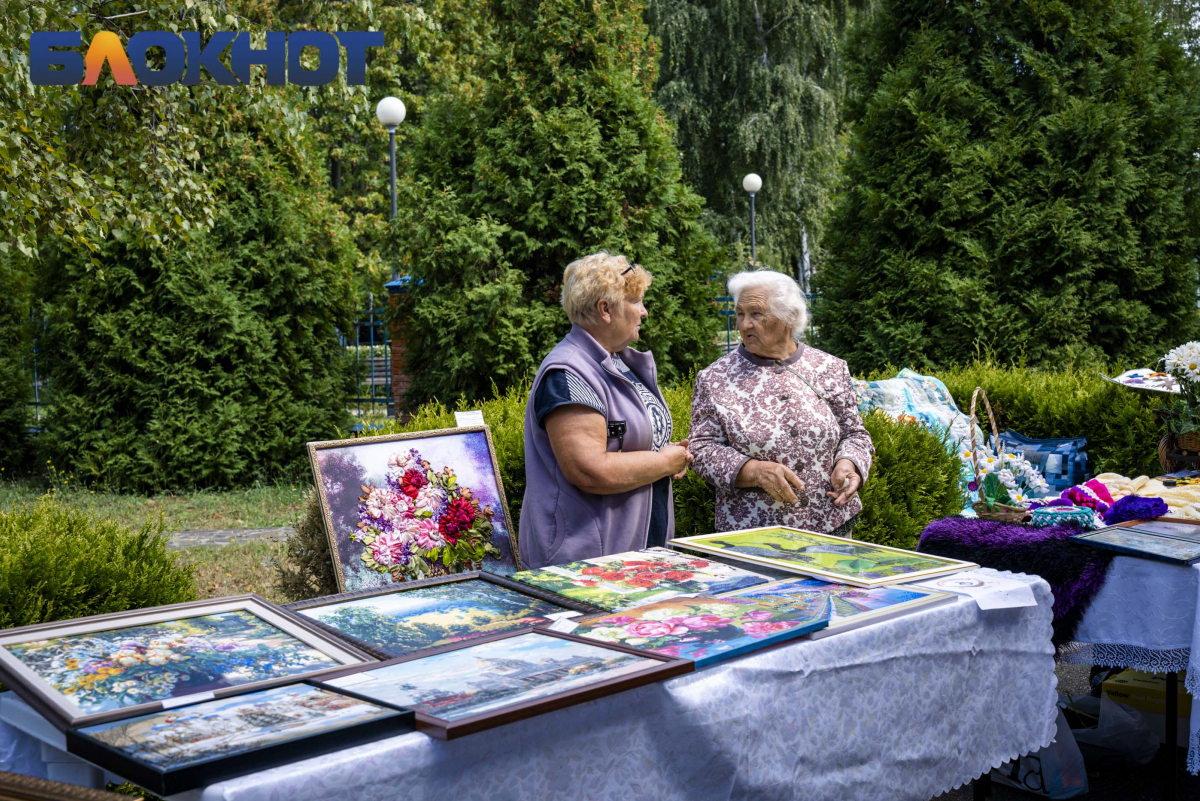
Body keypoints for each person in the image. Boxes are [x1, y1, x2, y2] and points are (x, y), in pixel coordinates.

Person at [519, 252, 692, 569]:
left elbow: (625, 443)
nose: (644, 312)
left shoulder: (617, 362)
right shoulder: (568, 373)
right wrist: (664, 462)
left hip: (633, 557)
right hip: (587, 566)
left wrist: (663, 453)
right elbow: (589, 470)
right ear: (605, 310)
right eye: (636, 301)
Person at [690, 269, 873, 536]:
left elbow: (855, 434)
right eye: (740, 314)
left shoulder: (829, 368)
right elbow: (701, 449)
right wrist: (753, 471)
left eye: (756, 314)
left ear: (790, 317)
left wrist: (849, 464)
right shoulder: (715, 378)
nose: (745, 324)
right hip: (753, 534)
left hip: (830, 525)